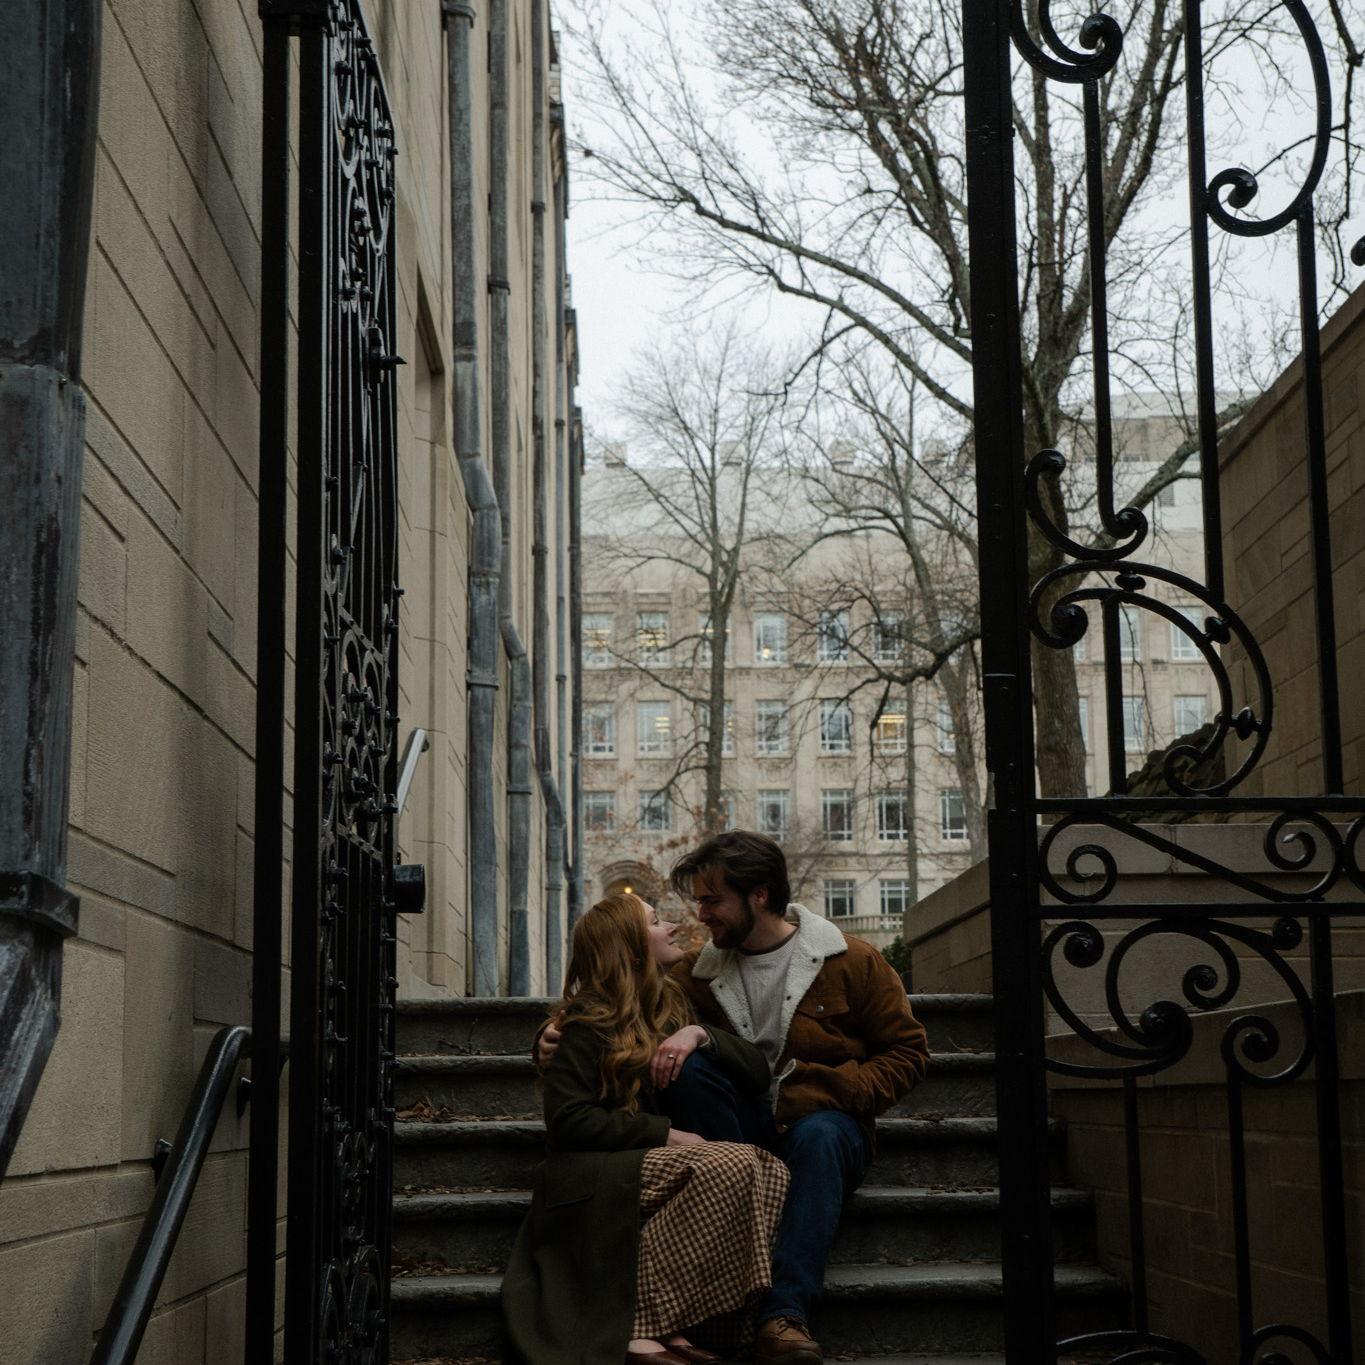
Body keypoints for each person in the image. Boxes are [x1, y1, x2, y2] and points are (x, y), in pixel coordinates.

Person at [538, 834, 929, 1363]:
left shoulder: (849, 958)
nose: (700, 915)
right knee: (690, 1069)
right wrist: (549, 1039)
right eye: (698, 901)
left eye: (711, 900)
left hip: (823, 1126)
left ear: (759, 896)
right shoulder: (697, 972)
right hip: (738, 1129)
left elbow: (908, 1052)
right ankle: (717, 1287)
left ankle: (782, 1316)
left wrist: (841, 1093)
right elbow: (617, 1000)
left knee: (818, 1135)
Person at [503, 891, 790, 1365]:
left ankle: (673, 1319)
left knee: (772, 1171)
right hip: (594, 1169)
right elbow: (569, 1121)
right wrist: (664, 1134)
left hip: (640, 1161)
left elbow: (757, 1071)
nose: (672, 927)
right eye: (657, 921)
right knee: (733, 1163)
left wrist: (701, 1034)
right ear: (631, 946)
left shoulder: (670, 1003)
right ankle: (641, 1325)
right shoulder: (586, 1020)